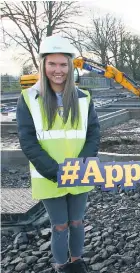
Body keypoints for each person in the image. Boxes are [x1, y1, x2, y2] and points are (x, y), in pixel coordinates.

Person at [16, 35, 100, 273]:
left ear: (71, 66)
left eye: (63, 64)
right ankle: (61, 266)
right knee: (60, 225)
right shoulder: (29, 98)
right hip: (49, 175)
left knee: (77, 222)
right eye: (52, 64)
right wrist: (55, 171)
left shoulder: (83, 98)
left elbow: (93, 133)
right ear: (42, 65)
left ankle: (77, 262)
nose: (58, 70)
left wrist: (81, 165)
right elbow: (28, 140)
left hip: (80, 173)